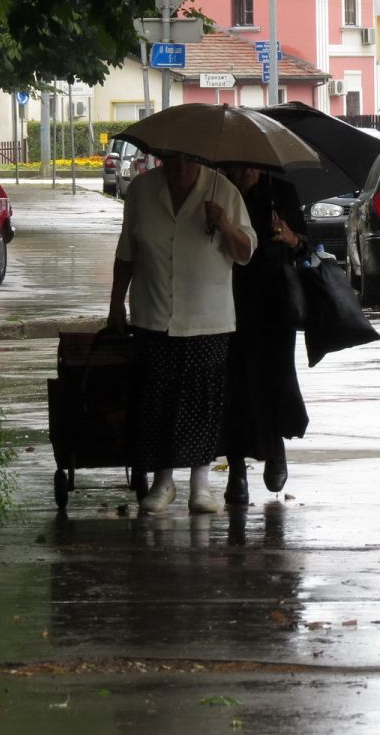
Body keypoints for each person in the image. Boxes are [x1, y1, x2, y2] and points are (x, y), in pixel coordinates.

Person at [107, 153, 255, 514]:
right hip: (154, 313)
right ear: (162, 160)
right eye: (172, 163)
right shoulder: (143, 190)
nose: (180, 171)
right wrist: (115, 305)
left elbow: (246, 252)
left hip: (208, 319)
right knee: (157, 399)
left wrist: (223, 224)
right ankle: (163, 482)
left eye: (188, 164)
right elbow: (127, 251)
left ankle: (200, 486)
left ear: (200, 161)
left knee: (201, 403)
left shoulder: (224, 191)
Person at [222, 166, 310, 505]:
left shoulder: (281, 193)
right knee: (234, 384)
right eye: (240, 164)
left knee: (275, 378)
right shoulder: (219, 191)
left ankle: (275, 450)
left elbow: (304, 244)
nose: (246, 171)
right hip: (227, 299)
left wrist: (291, 237)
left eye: (252, 165)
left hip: (274, 301)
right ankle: (236, 470)